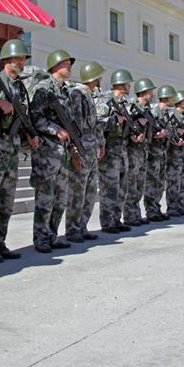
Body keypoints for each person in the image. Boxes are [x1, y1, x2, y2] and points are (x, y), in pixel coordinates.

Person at [0, 39, 40, 262]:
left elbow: (24, 115)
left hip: (12, 149)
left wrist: (29, 136)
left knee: (7, 200)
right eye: (18, 58)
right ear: (7, 60)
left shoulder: (20, 87)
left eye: (23, 59)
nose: (22, 62)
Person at [28, 49, 75, 253]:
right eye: (66, 63)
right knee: (45, 196)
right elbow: (35, 118)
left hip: (62, 152)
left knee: (60, 197)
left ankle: (52, 235)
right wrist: (56, 130)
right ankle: (41, 238)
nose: (70, 67)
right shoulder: (43, 89)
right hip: (47, 151)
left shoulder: (65, 90)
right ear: (55, 66)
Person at [65, 62, 105, 242]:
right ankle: (73, 229)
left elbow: (95, 124)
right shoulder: (77, 94)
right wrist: (75, 148)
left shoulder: (90, 95)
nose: (100, 79)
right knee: (77, 191)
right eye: (99, 76)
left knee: (89, 191)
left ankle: (82, 226)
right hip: (81, 147)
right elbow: (75, 124)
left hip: (91, 149)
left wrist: (101, 143)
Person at [96, 69, 135, 234]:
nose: (130, 86)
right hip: (109, 150)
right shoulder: (105, 100)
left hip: (122, 149)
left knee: (122, 188)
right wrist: (114, 120)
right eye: (128, 83)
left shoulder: (124, 103)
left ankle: (116, 219)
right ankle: (107, 222)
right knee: (109, 188)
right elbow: (98, 124)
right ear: (122, 84)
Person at [123, 78, 156, 227]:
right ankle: (130, 216)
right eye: (150, 91)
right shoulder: (131, 107)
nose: (153, 94)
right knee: (131, 184)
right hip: (132, 151)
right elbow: (125, 126)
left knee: (140, 185)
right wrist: (135, 130)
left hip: (143, 151)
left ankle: (136, 214)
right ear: (143, 92)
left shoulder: (147, 109)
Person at [145, 84, 177, 221]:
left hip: (162, 152)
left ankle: (156, 209)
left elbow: (170, 130)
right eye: (172, 97)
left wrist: (166, 133)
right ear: (166, 98)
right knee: (152, 183)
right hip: (153, 153)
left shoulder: (165, 113)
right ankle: (151, 211)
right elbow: (146, 129)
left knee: (159, 183)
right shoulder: (153, 111)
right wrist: (155, 134)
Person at [166, 90, 184, 216]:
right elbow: (167, 130)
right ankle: (172, 207)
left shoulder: (182, 116)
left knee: (182, 181)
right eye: (183, 100)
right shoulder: (172, 115)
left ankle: (180, 206)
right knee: (173, 182)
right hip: (173, 154)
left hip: (182, 154)